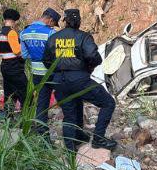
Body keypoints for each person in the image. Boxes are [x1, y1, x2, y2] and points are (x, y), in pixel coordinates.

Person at [43, 9, 117, 151]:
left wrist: (56, 73)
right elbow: (93, 56)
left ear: (64, 21)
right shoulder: (83, 37)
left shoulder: (54, 38)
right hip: (79, 78)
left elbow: (46, 60)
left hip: (59, 80)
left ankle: (71, 149)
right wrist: (88, 68)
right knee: (108, 103)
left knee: (69, 113)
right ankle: (98, 139)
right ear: (79, 21)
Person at [20, 8, 61, 138]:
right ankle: (71, 131)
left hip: (36, 74)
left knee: (42, 104)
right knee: (65, 98)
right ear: (50, 20)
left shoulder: (24, 32)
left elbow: (24, 55)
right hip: (51, 73)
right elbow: (56, 55)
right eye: (54, 23)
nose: (53, 26)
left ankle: (42, 136)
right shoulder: (50, 33)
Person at [0, 8, 27, 113]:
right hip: (14, 66)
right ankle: (25, 112)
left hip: (4, 65)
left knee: (9, 91)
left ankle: (9, 114)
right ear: (13, 21)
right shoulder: (12, 33)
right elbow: (17, 51)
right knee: (24, 89)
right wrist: (25, 55)